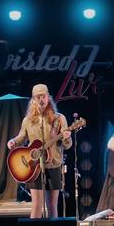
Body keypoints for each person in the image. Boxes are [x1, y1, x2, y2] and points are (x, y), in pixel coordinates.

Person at [7, 84, 72, 218]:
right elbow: (21, 137)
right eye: (38, 97)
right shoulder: (28, 120)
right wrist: (13, 141)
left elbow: (67, 146)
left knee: (52, 205)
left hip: (53, 163)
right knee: (37, 205)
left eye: (43, 97)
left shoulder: (59, 119)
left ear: (48, 98)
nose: (41, 100)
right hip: (33, 165)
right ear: (33, 100)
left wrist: (67, 138)